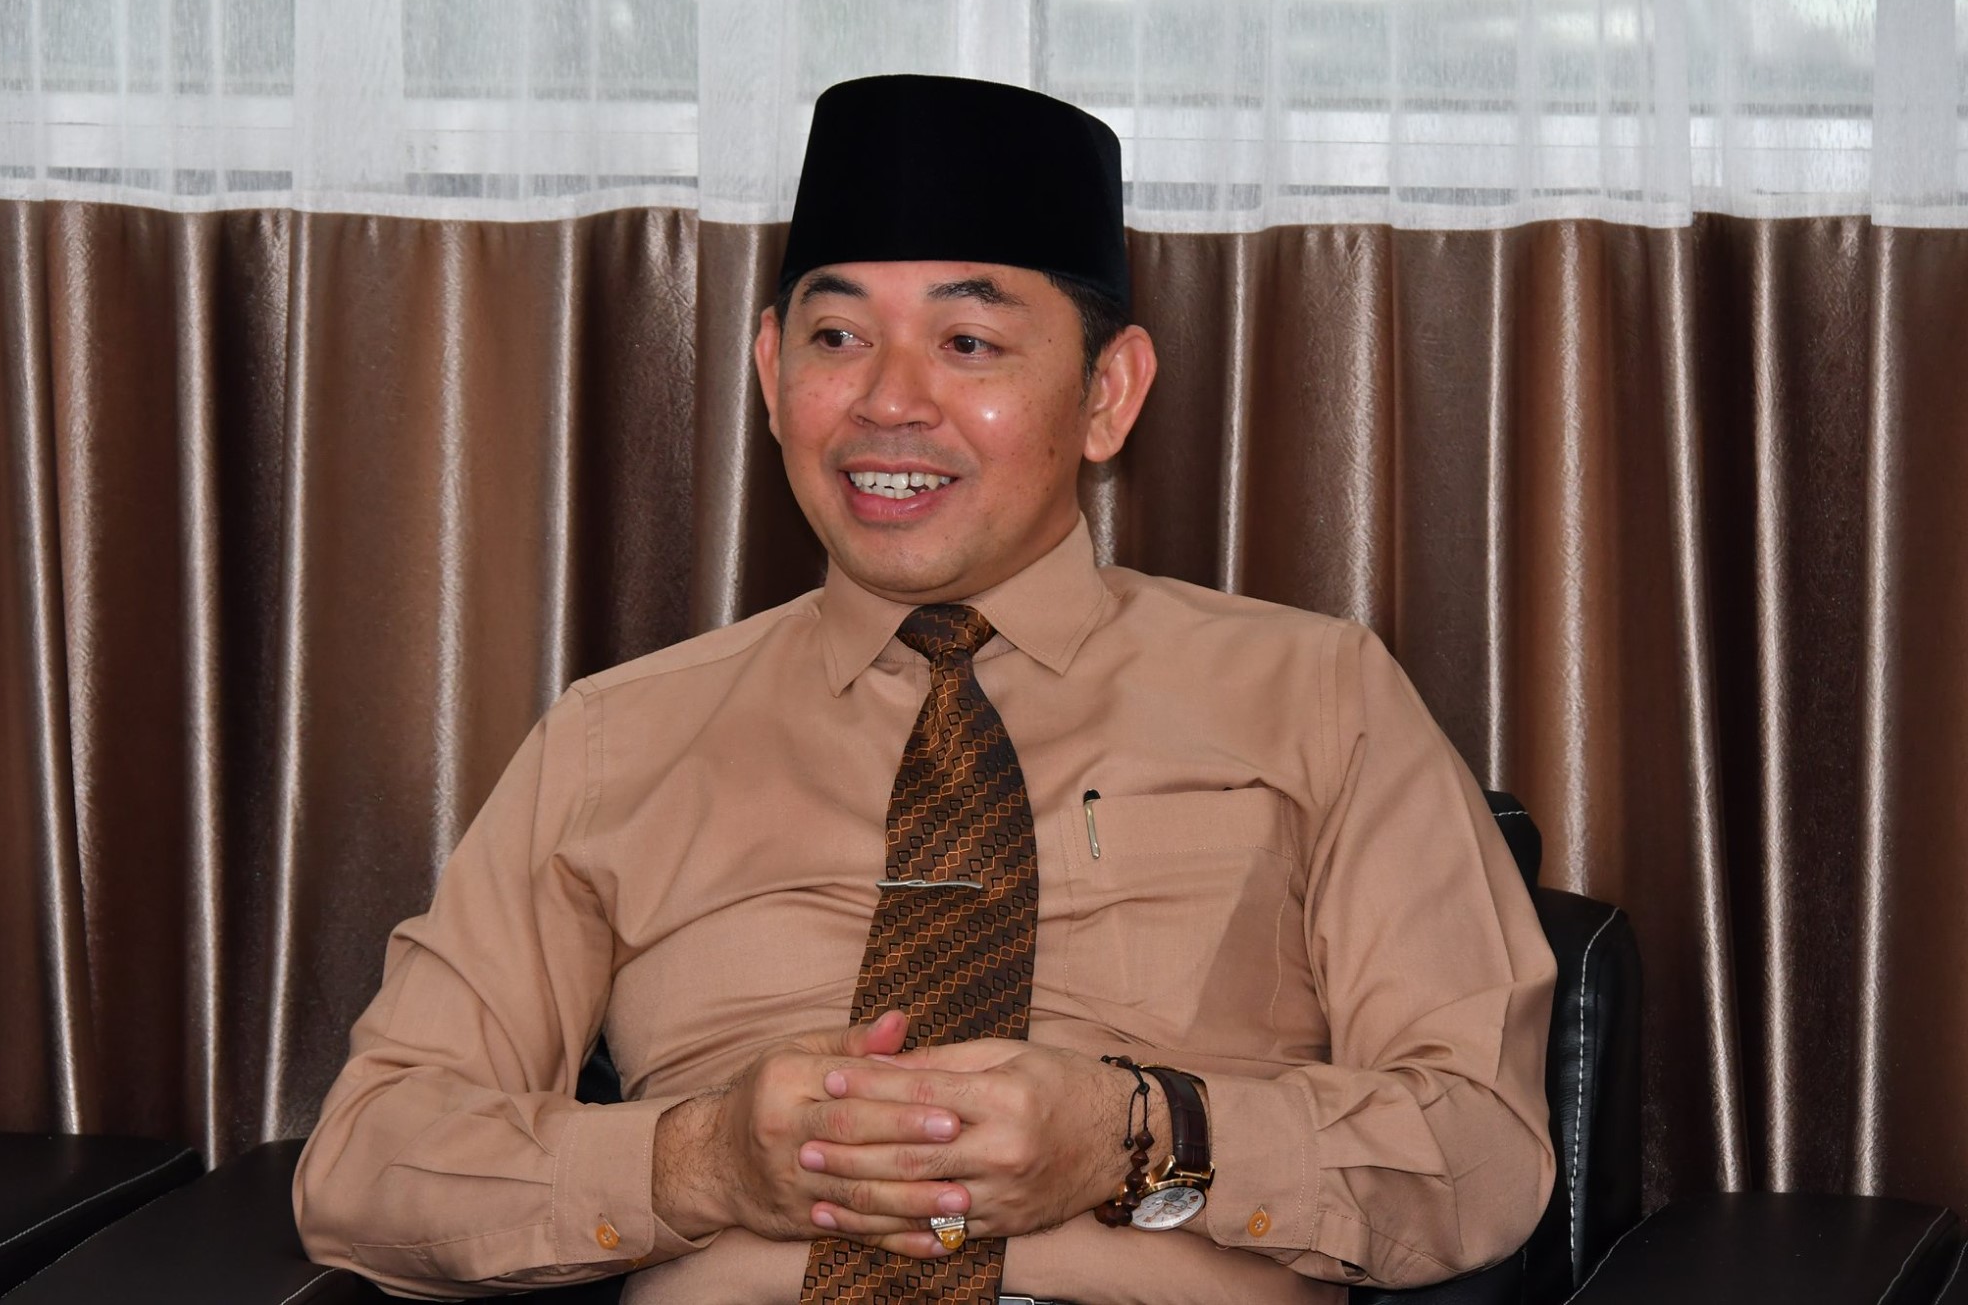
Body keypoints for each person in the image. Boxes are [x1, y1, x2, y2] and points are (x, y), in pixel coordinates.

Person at [294, 74, 1556, 1305]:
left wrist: (1137, 1136)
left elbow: (1483, 1153)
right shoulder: (613, 738)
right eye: (837, 339)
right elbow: (364, 1167)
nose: (889, 403)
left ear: (1106, 394)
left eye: (967, 344)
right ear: (770, 372)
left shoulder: (1315, 692)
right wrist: (699, 1163)